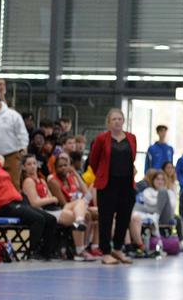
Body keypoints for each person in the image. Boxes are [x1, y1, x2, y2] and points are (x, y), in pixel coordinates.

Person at [88, 108, 137, 265]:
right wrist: (102, 174)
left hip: (127, 184)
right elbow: (93, 161)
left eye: (119, 119)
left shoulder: (131, 138)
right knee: (106, 218)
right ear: (109, 123)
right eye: (113, 119)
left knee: (124, 218)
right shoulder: (102, 139)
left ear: (124, 121)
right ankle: (105, 252)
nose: (117, 121)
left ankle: (117, 248)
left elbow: (132, 158)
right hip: (107, 184)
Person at [0, 153, 57, 260]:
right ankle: (29, 252)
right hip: (4, 205)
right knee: (38, 219)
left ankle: (45, 253)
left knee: (51, 219)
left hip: (18, 202)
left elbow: (0, 158)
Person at [47, 154, 97, 261]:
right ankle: (80, 250)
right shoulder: (53, 181)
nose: (63, 168)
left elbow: (88, 196)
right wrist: (79, 205)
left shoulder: (71, 179)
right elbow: (63, 203)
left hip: (77, 208)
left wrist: (75, 174)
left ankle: (83, 249)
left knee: (88, 214)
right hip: (62, 208)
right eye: (60, 166)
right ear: (55, 168)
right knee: (80, 206)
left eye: (65, 165)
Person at [0, 93, 27, 190]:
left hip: (11, 155)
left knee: (13, 184)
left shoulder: (12, 115)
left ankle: (15, 205)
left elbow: (22, 134)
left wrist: (23, 148)